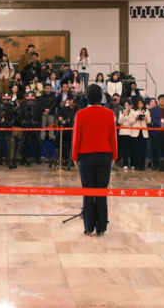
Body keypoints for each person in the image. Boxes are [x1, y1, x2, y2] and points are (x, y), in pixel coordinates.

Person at [72, 84, 117, 236]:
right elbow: (113, 136)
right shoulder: (109, 113)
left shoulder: (81, 114)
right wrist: (114, 155)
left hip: (85, 156)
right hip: (105, 155)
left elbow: (77, 137)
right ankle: (102, 227)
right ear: (101, 96)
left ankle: (88, 227)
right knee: (101, 192)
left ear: (87, 96)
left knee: (88, 192)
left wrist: (74, 157)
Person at [130, 97, 151, 171]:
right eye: (138, 103)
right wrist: (135, 118)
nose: (140, 105)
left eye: (141, 103)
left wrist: (145, 119)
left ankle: (142, 165)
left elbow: (149, 121)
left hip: (144, 133)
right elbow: (130, 121)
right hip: (135, 133)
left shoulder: (147, 111)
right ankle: (136, 165)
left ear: (143, 104)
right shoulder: (133, 111)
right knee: (136, 150)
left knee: (143, 150)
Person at [117, 99, 133, 170]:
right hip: (123, 133)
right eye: (125, 105)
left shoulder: (133, 112)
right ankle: (125, 164)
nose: (127, 107)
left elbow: (132, 122)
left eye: (128, 105)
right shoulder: (121, 112)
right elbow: (120, 122)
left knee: (131, 149)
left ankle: (132, 163)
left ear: (131, 106)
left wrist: (126, 122)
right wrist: (123, 115)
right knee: (124, 149)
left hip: (131, 132)